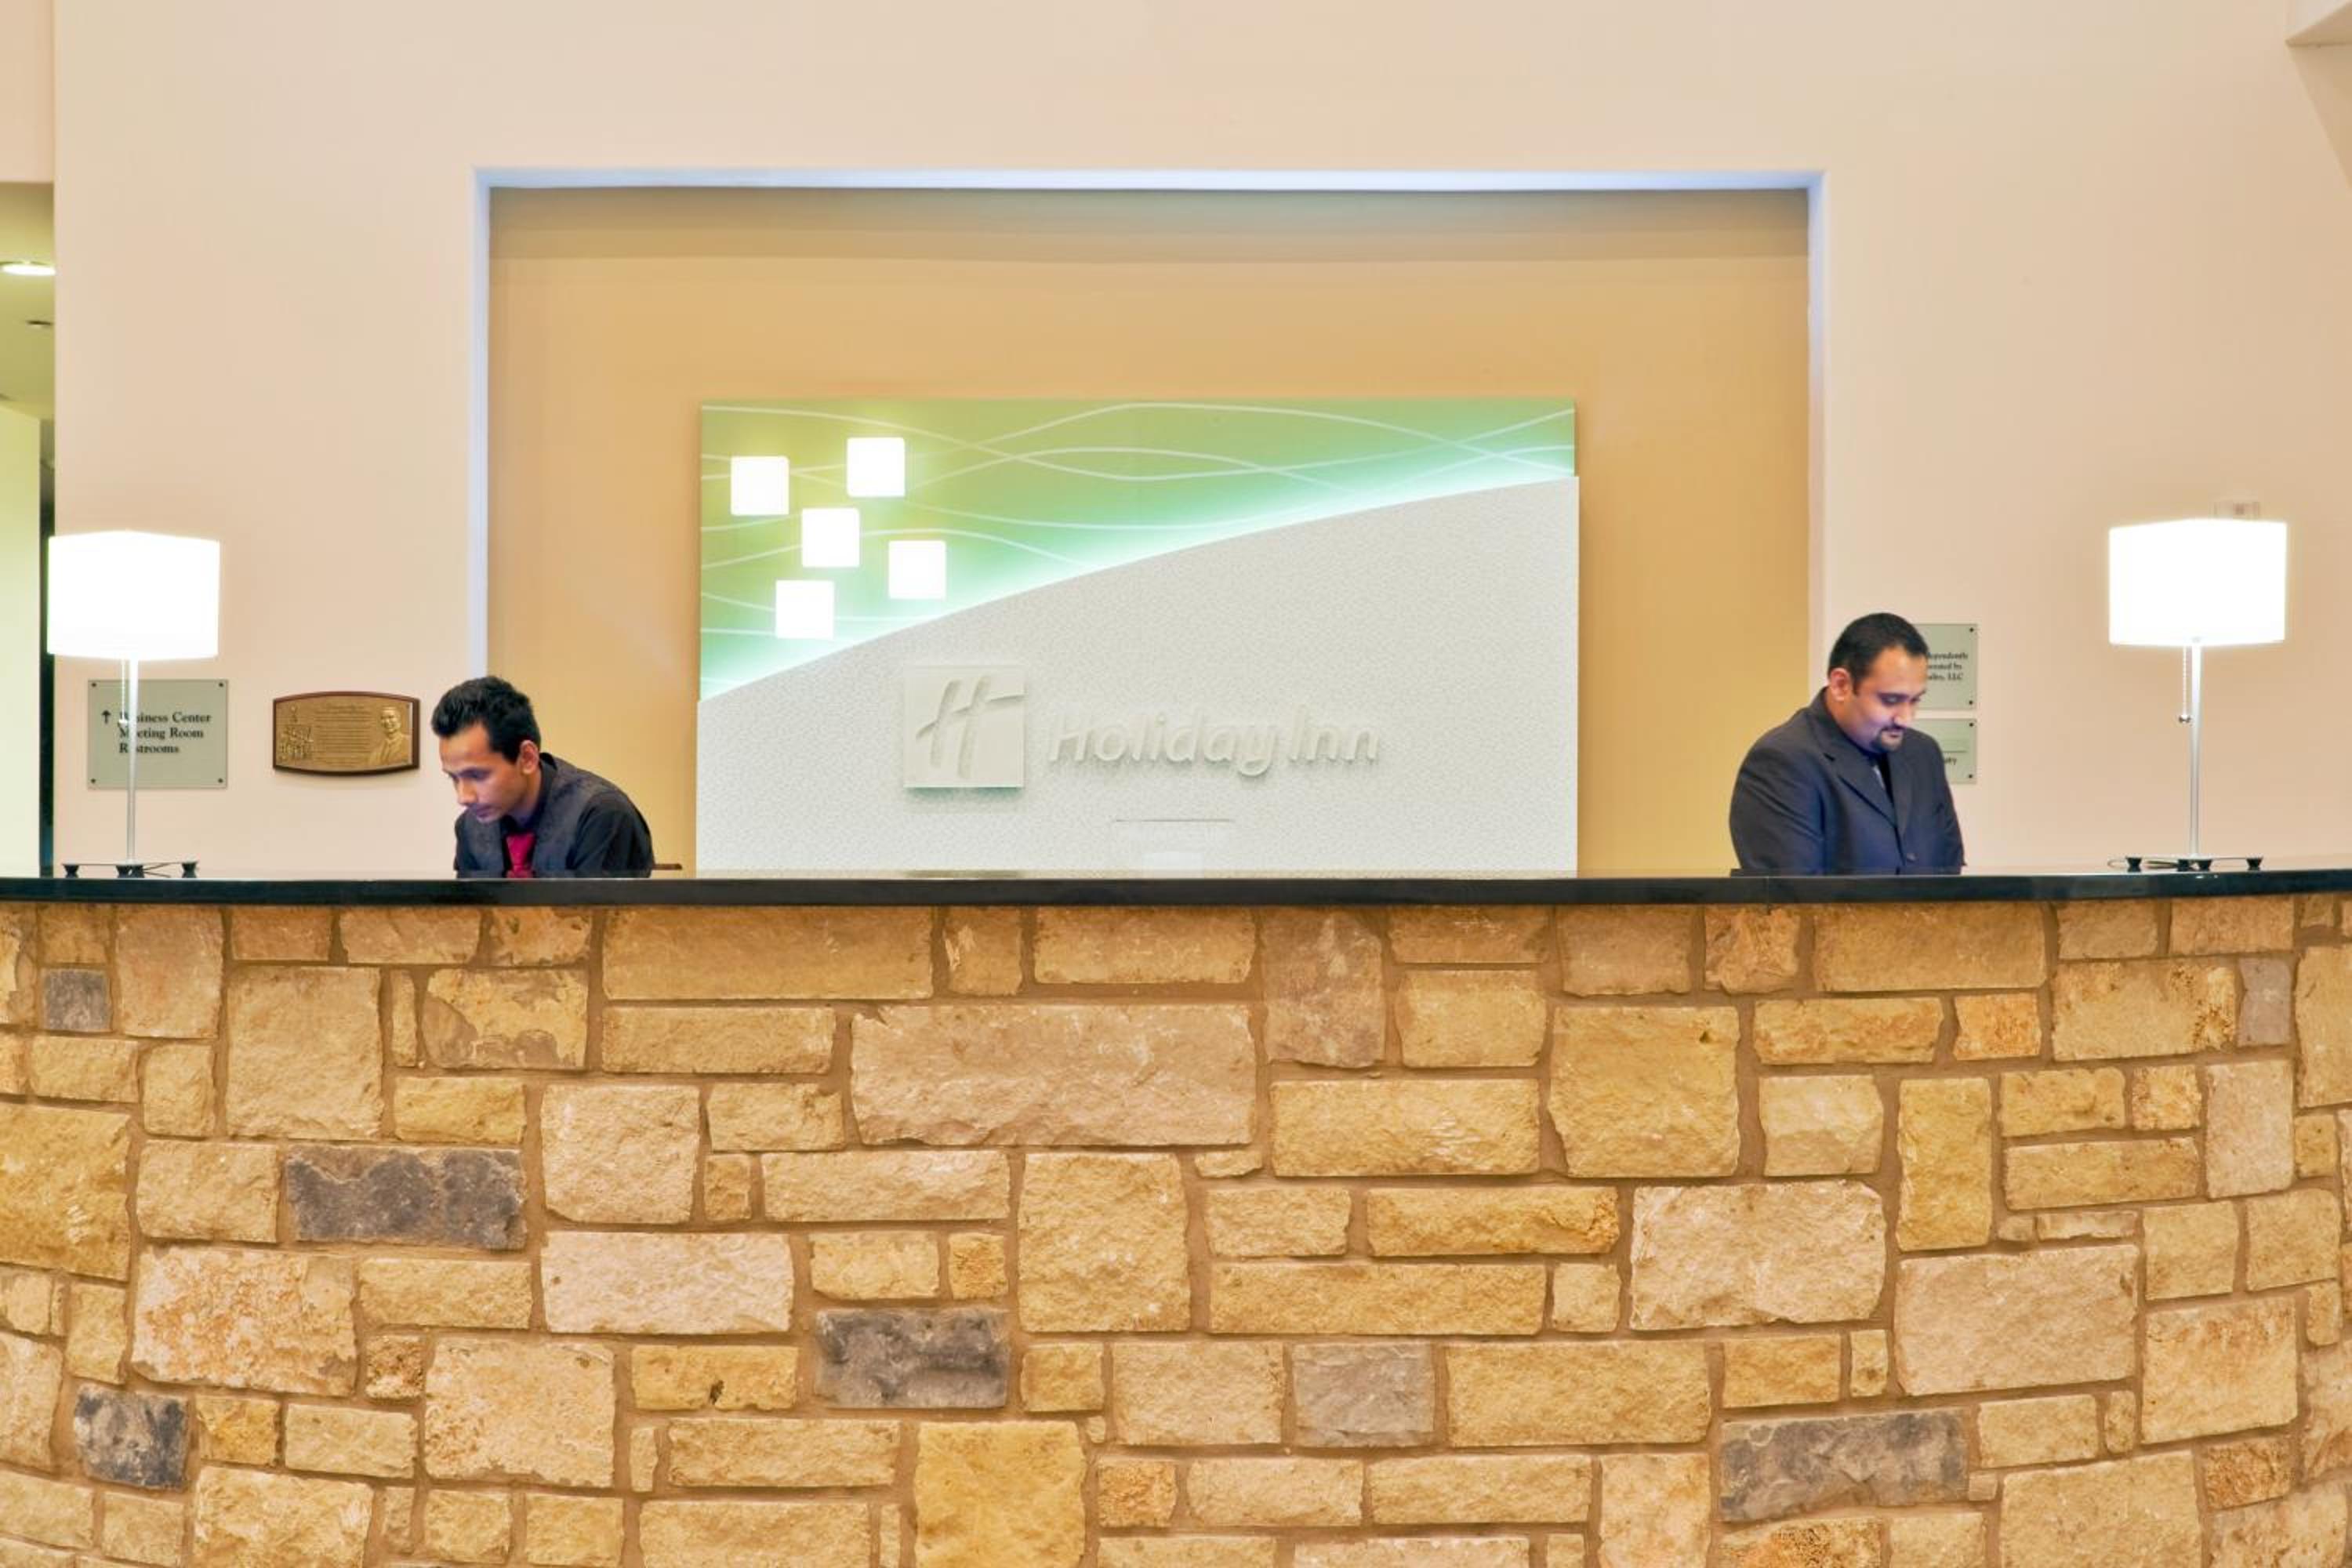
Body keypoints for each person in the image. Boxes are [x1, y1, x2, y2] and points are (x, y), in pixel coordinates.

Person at [1729, 612, 1964, 874]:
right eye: (1890, 700)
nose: (1906, 718)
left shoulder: (1924, 753)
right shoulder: (1782, 762)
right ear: (1841, 685)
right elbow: (1794, 893)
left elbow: (1951, 871)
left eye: (1915, 700)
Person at [431, 676, 654, 877]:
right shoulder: (469, 828)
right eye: (454, 778)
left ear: (527, 758)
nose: (463, 797)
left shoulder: (601, 815)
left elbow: (595, 910)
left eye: (478, 775)